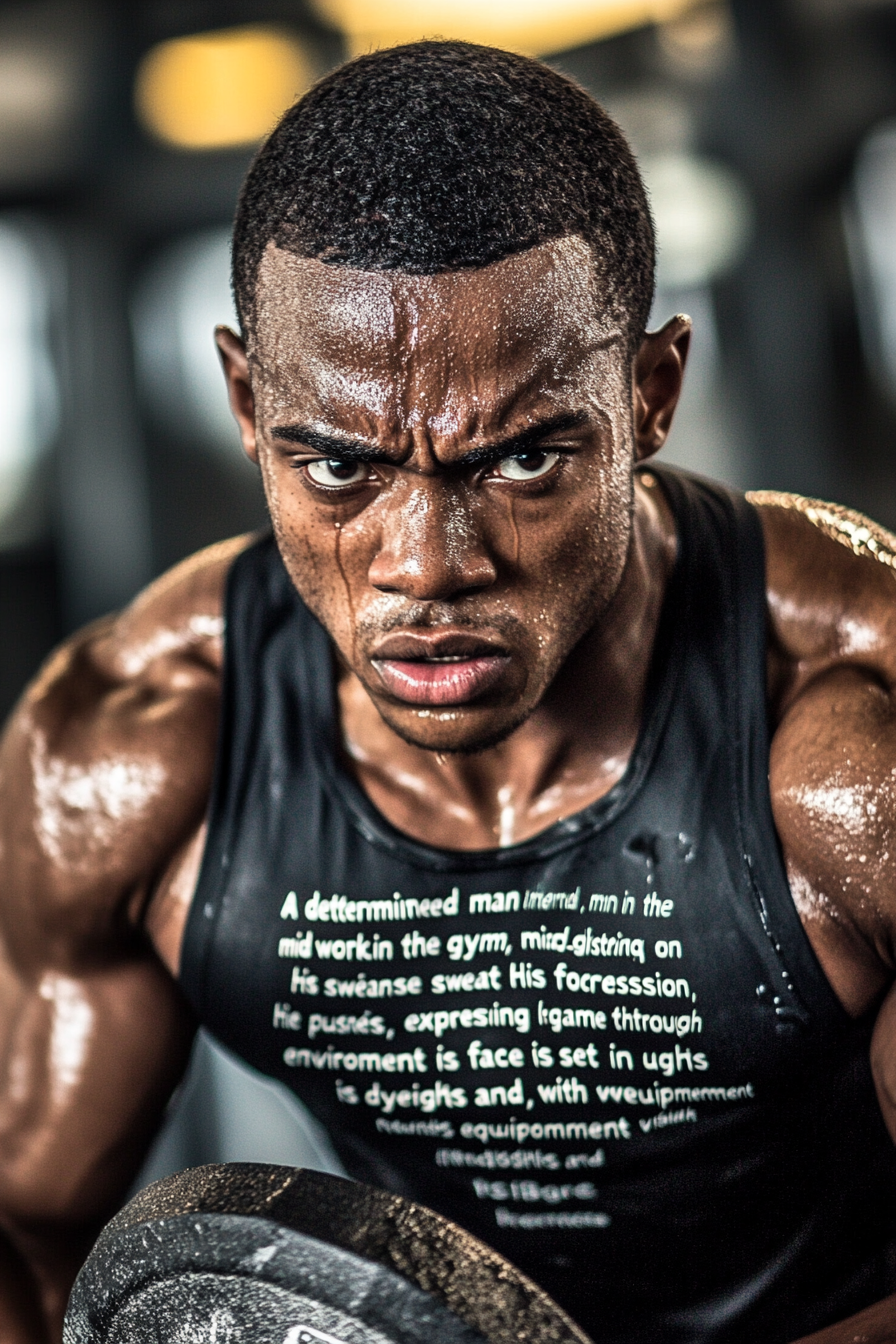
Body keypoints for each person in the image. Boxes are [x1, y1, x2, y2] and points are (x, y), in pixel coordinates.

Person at [2, 38, 896, 1344]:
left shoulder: (853, 748)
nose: (426, 569)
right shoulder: (132, 754)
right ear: (249, 404)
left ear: (648, 395)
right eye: (338, 470)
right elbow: (23, 1242)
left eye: (525, 460)